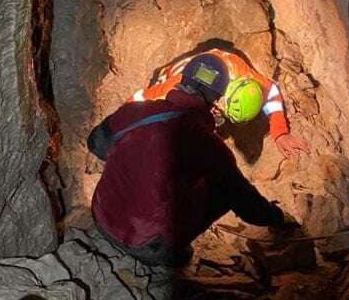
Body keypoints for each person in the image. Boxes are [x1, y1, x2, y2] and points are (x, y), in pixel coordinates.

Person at [89, 54, 295, 266]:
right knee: (224, 188)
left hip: (101, 216)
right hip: (149, 247)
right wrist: (277, 217)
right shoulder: (210, 146)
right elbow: (247, 205)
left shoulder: (135, 111)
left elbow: (96, 145)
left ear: (183, 78)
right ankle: (170, 250)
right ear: (217, 99)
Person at [128, 48, 309, 158]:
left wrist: (280, 131)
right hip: (168, 77)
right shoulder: (177, 86)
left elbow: (271, 92)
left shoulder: (244, 76)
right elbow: (140, 99)